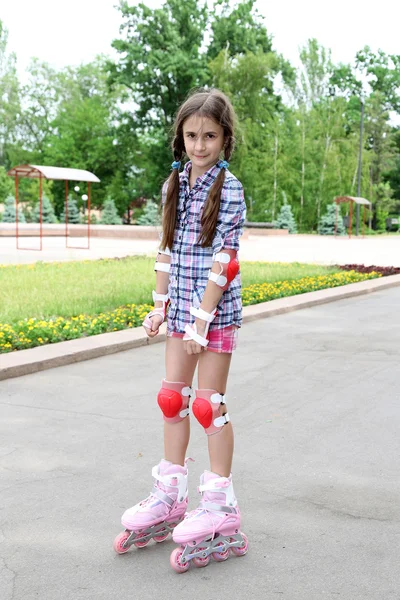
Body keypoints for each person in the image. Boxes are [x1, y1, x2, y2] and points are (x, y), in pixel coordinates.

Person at [113, 88, 249, 571]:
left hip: (215, 313)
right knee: (172, 398)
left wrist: (200, 322)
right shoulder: (174, 185)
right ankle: (169, 496)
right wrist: (158, 307)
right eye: (191, 135)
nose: (199, 145)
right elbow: (166, 251)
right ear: (181, 137)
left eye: (209, 136)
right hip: (181, 315)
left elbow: (224, 263)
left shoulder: (228, 190)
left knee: (208, 407)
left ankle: (220, 505)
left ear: (225, 139)